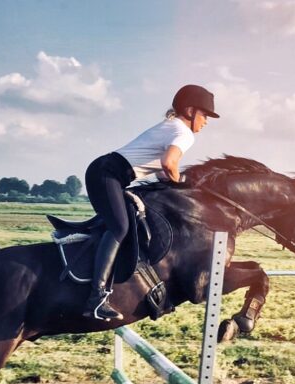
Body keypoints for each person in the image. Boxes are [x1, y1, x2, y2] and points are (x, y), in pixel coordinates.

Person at [83, 84, 219, 321]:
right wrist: (183, 186)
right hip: (108, 174)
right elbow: (169, 164)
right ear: (189, 110)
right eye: (205, 114)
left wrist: (182, 181)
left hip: (107, 173)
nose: (206, 121)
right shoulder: (183, 133)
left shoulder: (172, 126)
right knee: (120, 227)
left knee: (125, 224)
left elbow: (162, 172)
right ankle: (96, 298)